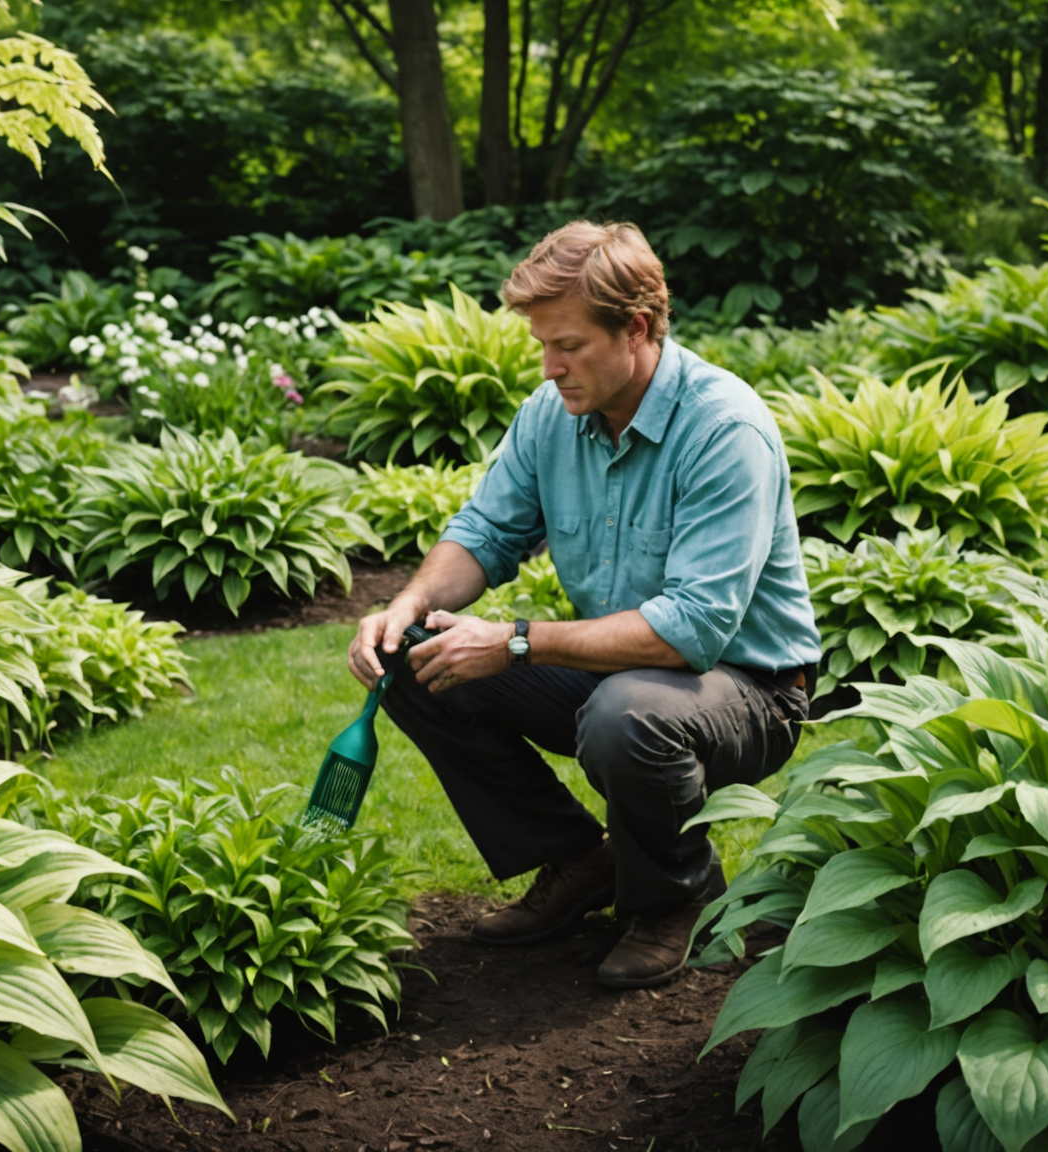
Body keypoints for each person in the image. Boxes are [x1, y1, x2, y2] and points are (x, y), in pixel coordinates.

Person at [346, 220, 820, 989]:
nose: (549, 365)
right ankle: (578, 862)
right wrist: (409, 603)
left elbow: (694, 629)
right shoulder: (553, 414)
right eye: (542, 344)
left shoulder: (724, 429)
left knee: (627, 715)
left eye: (568, 345)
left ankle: (678, 897)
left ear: (636, 328)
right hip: (622, 672)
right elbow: (486, 532)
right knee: (412, 658)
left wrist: (519, 641)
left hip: (750, 691)